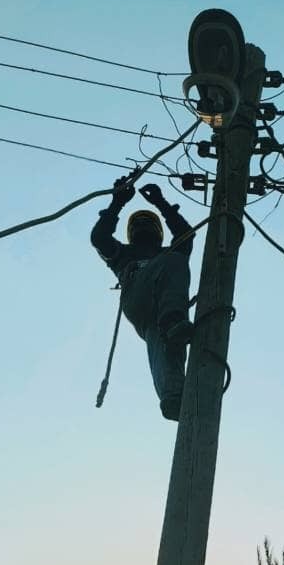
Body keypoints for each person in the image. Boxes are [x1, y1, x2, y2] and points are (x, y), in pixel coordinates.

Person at [91, 178, 196, 421]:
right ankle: (171, 323)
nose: (142, 226)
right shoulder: (124, 254)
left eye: (147, 223)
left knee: (167, 344)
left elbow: (186, 235)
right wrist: (117, 202)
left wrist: (162, 204)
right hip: (140, 299)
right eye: (138, 223)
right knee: (175, 263)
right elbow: (99, 237)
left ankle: (173, 397)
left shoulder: (168, 255)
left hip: (159, 314)